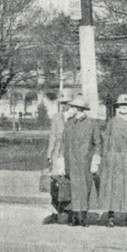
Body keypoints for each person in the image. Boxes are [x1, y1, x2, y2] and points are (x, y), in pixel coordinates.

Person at [99, 94, 127, 228]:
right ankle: (111, 216)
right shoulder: (112, 122)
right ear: (118, 107)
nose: (124, 107)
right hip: (113, 158)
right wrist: (105, 158)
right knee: (112, 186)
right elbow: (106, 141)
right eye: (121, 105)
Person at [63, 95, 102, 227]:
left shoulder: (92, 123)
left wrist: (95, 161)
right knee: (73, 188)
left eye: (73, 107)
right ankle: (75, 216)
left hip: (86, 161)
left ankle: (84, 217)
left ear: (79, 108)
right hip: (71, 161)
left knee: (85, 188)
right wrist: (63, 161)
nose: (71, 109)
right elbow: (65, 143)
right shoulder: (69, 123)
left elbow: (98, 144)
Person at [43, 89, 74, 224]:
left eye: (66, 102)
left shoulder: (76, 117)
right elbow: (53, 137)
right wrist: (49, 155)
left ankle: (70, 211)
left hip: (72, 155)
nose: (63, 105)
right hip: (58, 154)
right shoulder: (57, 117)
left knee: (70, 182)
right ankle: (56, 211)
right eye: (62, 103)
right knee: (56, 183)